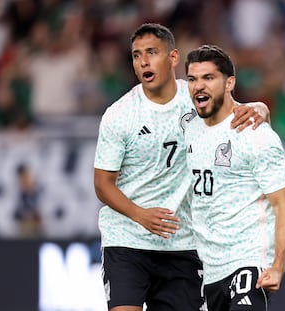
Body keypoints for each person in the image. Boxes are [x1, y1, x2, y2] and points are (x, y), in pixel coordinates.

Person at [93, 23, 269, 311]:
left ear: (173, 58)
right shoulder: (120, 115)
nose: (144, 61)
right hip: (127, 238)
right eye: (137, 55)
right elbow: (102, 183)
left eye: (152, 52)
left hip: (183, 242)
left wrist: (261, 108)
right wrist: (140, 215)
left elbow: (246, 111)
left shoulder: (198, 98)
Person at [183, 45, 285, 311]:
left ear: (229, 82)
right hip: (207, 268)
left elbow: (284, 205)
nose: (199, 86)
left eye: (208, 78)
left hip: (248, 261)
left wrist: (278, 266)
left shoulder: (254, 133)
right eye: (192, 79)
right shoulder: (187, 126)